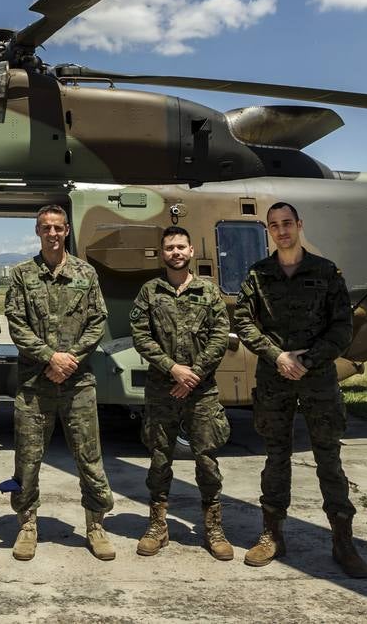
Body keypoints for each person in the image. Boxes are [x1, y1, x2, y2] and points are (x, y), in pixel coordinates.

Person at [232, 201, 367, 578]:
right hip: (274, 378)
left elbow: (342, 328)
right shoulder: (258, 274)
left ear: (299, 225)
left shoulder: (326, 272)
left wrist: (306, 361)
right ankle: (272, 535)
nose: (282, 230)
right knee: (276, 457)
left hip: (318, 378)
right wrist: (278, 357)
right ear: (268, 231)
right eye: (274, 225)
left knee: (329, 457)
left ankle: (343, 541)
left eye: (287, 223)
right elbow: (243, 322)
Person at [6, 204, 115, 561]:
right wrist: (50, 357)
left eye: (57, 227)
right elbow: (17, 324)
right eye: (45, 228)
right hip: (35, 383)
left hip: (78, 382)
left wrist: (70, 360)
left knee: (89, 455)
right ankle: (27, 523)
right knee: (28, 458)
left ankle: (95, 524)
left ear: (66, 231)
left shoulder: (86, 273)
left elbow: (98, 321)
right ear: (37, 232)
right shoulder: (23, 274)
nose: (52, 233)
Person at [129, 225, 234, 560]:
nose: (175, 252)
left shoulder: (208, 291)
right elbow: (140, 335)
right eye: (169, 248)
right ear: (163, 254)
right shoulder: (149, 292)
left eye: (181, 247)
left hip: (201, 392)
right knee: (159, 459)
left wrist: (194, 374)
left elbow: (221, 335)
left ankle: (213, 527)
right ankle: (158, 526)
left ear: (191, 252)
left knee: (206, 459)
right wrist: (172, 369)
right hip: (162, 389)